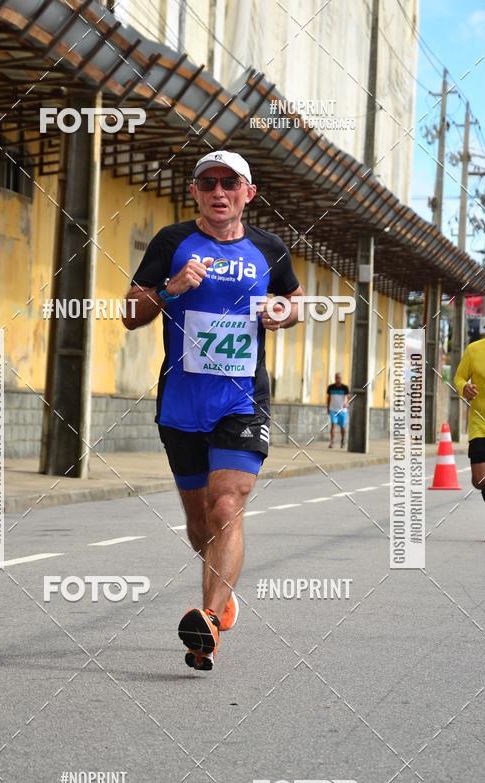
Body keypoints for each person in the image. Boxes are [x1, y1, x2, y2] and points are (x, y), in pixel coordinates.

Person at [123, 150, 302, 671]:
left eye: (230, 183)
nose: (218, 191)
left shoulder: (268, 248)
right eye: (208, 183)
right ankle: (222, 596)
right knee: (200, 523)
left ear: (249, 192)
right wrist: (169, 289)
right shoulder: (173, 243)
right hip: (181, 403)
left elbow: (295, 299)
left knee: (228, 508)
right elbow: (130, 313)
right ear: (196, 191)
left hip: (242, 400)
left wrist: (282, 313)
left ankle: (207, 620)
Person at [454, 302, 485, 543]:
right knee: (480, 481)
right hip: (481, 424)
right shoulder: (475, 350)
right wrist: (465, 388)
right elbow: (459, 377)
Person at [326, 373, 350, 448]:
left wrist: (347, 403)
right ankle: (332, 442)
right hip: (333, 409)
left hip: (342, 411)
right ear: (335, 378)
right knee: (333, 425)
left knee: (342, 427)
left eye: (339, 378)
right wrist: (328, 407)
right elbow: (329, 398)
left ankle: (343, 440)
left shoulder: (345, 388)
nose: (337, 379)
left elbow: (348, 397)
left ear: (341, 379)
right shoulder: (330, 387)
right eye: (336, 378)